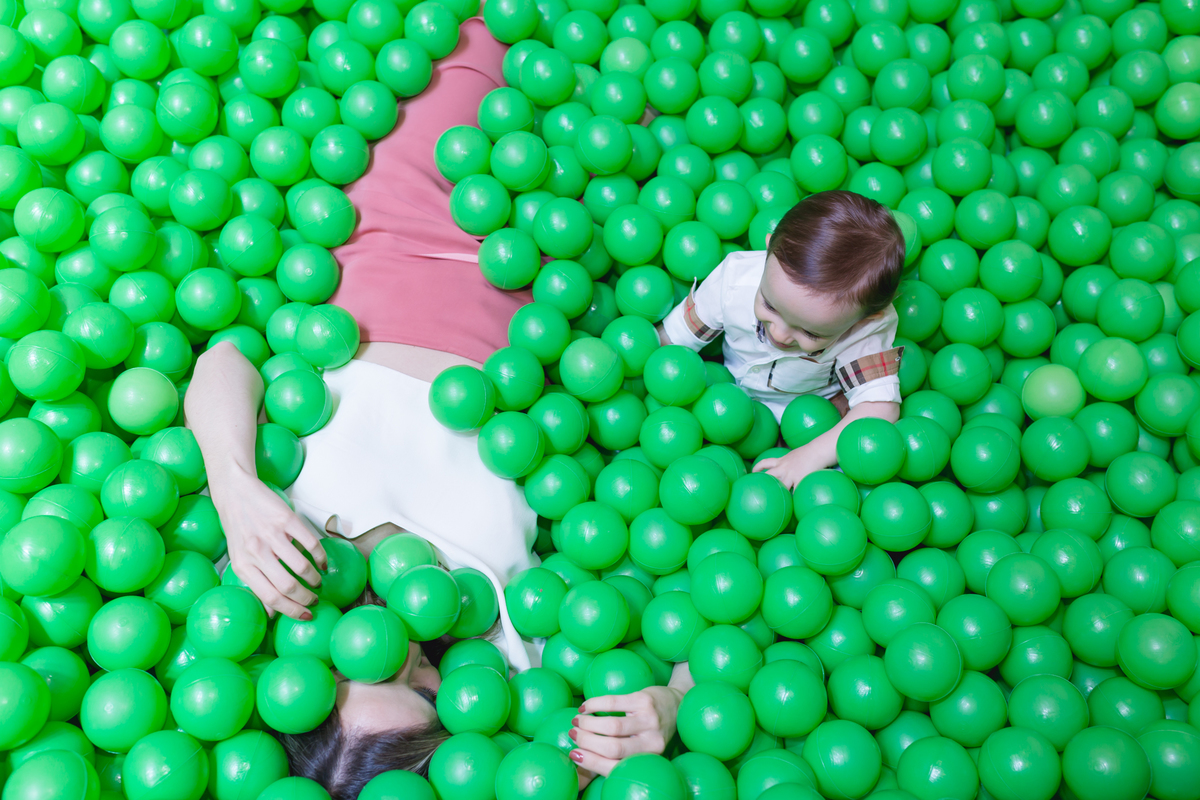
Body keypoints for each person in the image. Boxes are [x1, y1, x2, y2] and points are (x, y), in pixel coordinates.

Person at [184, 15, 690, 798]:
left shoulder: (278, 570)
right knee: (647, 100)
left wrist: (235, 488)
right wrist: (671, 704)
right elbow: (689, 625)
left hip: (396, 240)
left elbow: (223, 363)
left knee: (474, 38)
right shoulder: (519, 656)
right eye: (424, 685)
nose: (406, 641)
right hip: (557, 295)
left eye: (367, 655)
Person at [659, 190, 907, 489]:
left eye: (811, 332)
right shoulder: (736, 280)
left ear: (865, 319)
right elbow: (671, 341)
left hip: (816, 410)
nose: (779, 334)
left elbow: (881, 407)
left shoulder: (867, 329)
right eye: (769, 306)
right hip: (722, 389)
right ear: (766, 254)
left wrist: (811, 455)